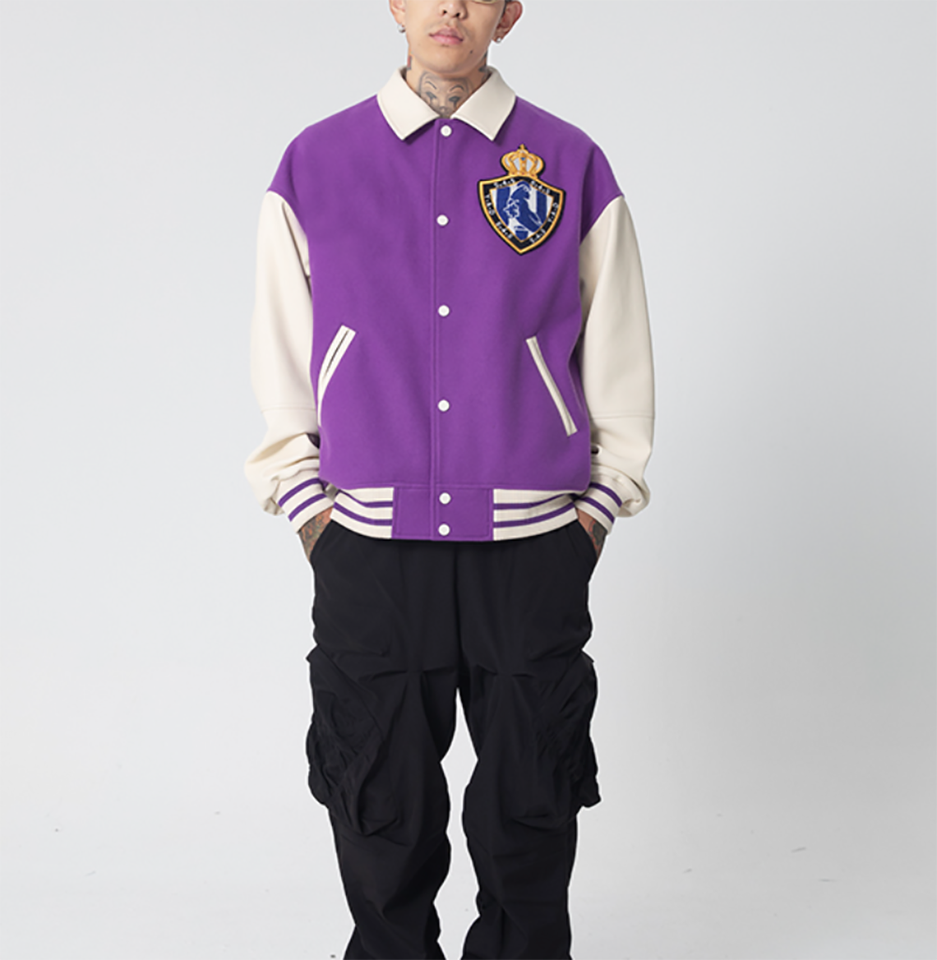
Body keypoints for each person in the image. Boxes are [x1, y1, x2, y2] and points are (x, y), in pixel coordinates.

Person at [245, 1, 654, 957]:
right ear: (396, 4)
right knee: (377, 804)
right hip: (370, 550)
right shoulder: (316, 163)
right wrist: (310, 512)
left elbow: (618, 352)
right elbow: (282, 355)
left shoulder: (569, 163)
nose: (452, 7)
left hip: (530, 549)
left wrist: (595, 512)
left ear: (509, 14)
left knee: (531, 806)